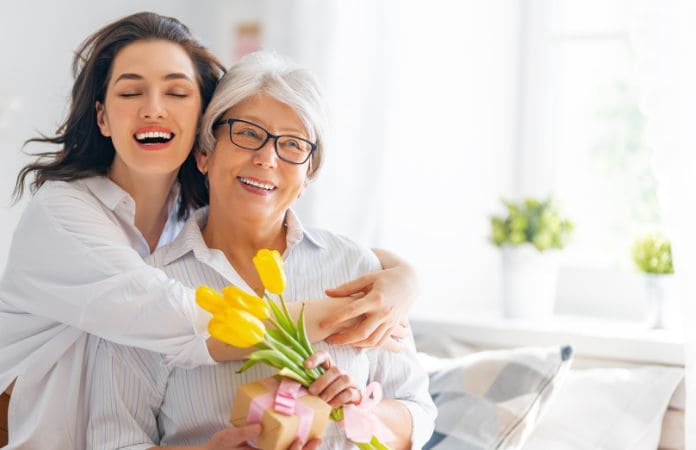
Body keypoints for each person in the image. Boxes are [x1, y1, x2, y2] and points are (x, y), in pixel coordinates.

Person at [0, 12, 418, 450]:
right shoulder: (65, 214)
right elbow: (184, 319)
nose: (154, 108)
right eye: (131, 92)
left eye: (176, 92)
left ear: (199, 122)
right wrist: (348, 312)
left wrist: (399, 280)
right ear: (103, 118)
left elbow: (321, 251)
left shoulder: (185, 217)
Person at [87, 50, 436, 450]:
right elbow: (113, 441)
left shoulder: (356, 269)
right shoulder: (151, 286)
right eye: (248, 134)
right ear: (204, 154)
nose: (267, 158)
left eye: (292, 144)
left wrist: (356, 410)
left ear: (307, 176)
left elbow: (418, 413)